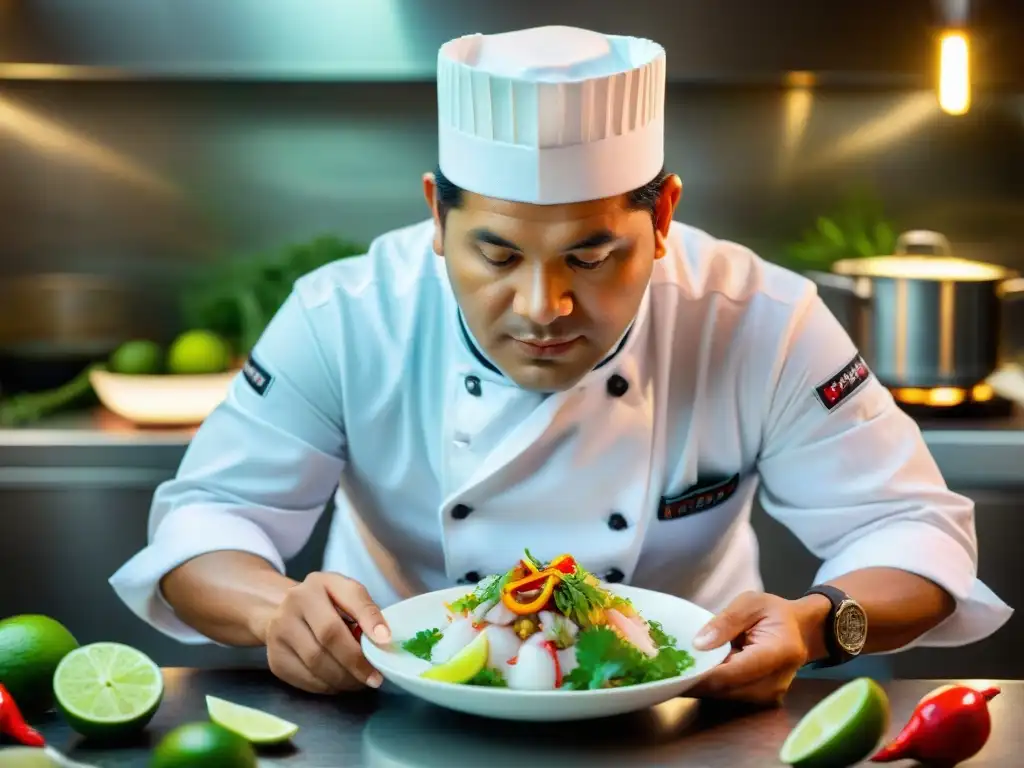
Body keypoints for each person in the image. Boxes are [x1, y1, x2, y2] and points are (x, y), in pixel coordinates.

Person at [110, 25, 1011, 704]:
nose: (544, 308)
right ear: (436, 215)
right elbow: (206, 524)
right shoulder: (345, 315)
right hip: (395, 717)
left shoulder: (760, 319)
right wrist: (276, 614)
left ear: (661, 219)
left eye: (590, 256)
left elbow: (914, 533)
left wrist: (818, 625)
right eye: (497, 256)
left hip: (690, 722)